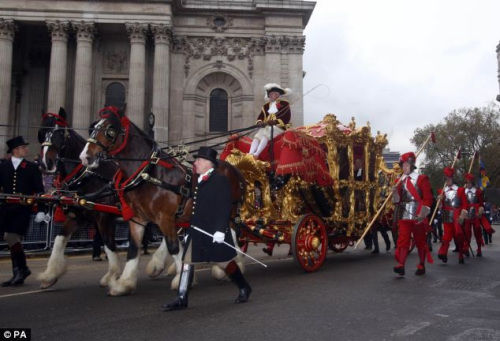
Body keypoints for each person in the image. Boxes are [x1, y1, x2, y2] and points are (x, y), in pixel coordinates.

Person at [162, 147, 252, 311]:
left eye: (198, 160)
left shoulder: (220, 180)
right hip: (197, 230)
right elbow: (196, 202)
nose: (195, 163)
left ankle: (244, 287)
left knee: (225, 263)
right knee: (187, 262)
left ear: (208, 163)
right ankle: (182, 298)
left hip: (214, 232)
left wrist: (219, 230)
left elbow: (224, 206)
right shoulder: (200, 179)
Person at [0, 136, 45, 286]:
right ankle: (19, 271)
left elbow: (40, 190)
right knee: (10, 238)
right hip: (6, 209)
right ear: (15, 150)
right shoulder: (3, 166)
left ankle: (21, 270)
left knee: (11, 236)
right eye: (23, 147)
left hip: (22, 208)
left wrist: (41, 209)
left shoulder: (31, 167)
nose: (26, 149)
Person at [392, 152, 433, 276]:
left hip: (418, 213)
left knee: (420, 240)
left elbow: (428, 198)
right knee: (403, 239)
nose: (403, 167)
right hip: (404, 213)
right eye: (402, 165)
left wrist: (423, 213)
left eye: (404, 165)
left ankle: (421, 265)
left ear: (411, 164)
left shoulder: (421, 179)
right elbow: (397, 201)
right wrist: (394, 192)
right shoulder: (399, 180)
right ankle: (401, 265)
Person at [248, 83, 291, 158]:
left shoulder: (284, 104)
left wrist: (275, 122)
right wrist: (260, 122)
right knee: (258, 134)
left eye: (275, 94)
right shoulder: (265, 106)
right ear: (269, 95)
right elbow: (260, 117)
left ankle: (256, 154)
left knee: (269, 130)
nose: (273, 95)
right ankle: (250, 153)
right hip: (266, 127)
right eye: (271, 94)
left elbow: (286, 118)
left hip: (279, 127)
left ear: (278, 95)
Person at [436, 167, 467, 264]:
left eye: (449, 178)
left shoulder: (460, 190)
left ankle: (461, 253)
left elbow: (464, 204)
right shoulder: (442, 192)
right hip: (447, 215)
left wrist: (462, 215)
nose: (447, 180)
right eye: (446, 178)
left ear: (452, 178)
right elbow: (440, 207)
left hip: (457, 215)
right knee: (446, 237)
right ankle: (443, 253)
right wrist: (439, 200)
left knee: (458, 235)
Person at [462, 173, 491, 257]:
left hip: (476, 215)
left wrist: (480, 210)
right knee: (467, 232)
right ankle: (466, 248)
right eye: (467, 183)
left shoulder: (478, 192)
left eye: (470, 183)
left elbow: (481, 203)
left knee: (477, 232)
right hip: (467, 215)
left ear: (472, 183)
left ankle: (479, 249)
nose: (468, 184)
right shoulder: (463, 192)